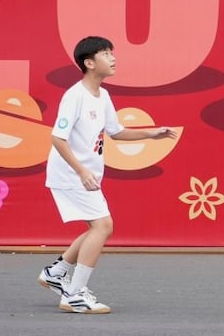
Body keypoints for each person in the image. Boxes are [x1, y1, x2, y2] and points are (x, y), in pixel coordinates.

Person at [37, 36, 178, 314]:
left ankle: (57, 273)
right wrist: (81, 171)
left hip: (84, 175)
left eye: (112, 53)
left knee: (96, 227)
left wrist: (151, 132)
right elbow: (58, 138)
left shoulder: (103, 95)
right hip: (71, 174)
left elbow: (116, 132)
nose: (113, 58)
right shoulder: (75, 96)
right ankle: (74, 294)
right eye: (105, 54)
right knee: (103, 226)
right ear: (89, 63)